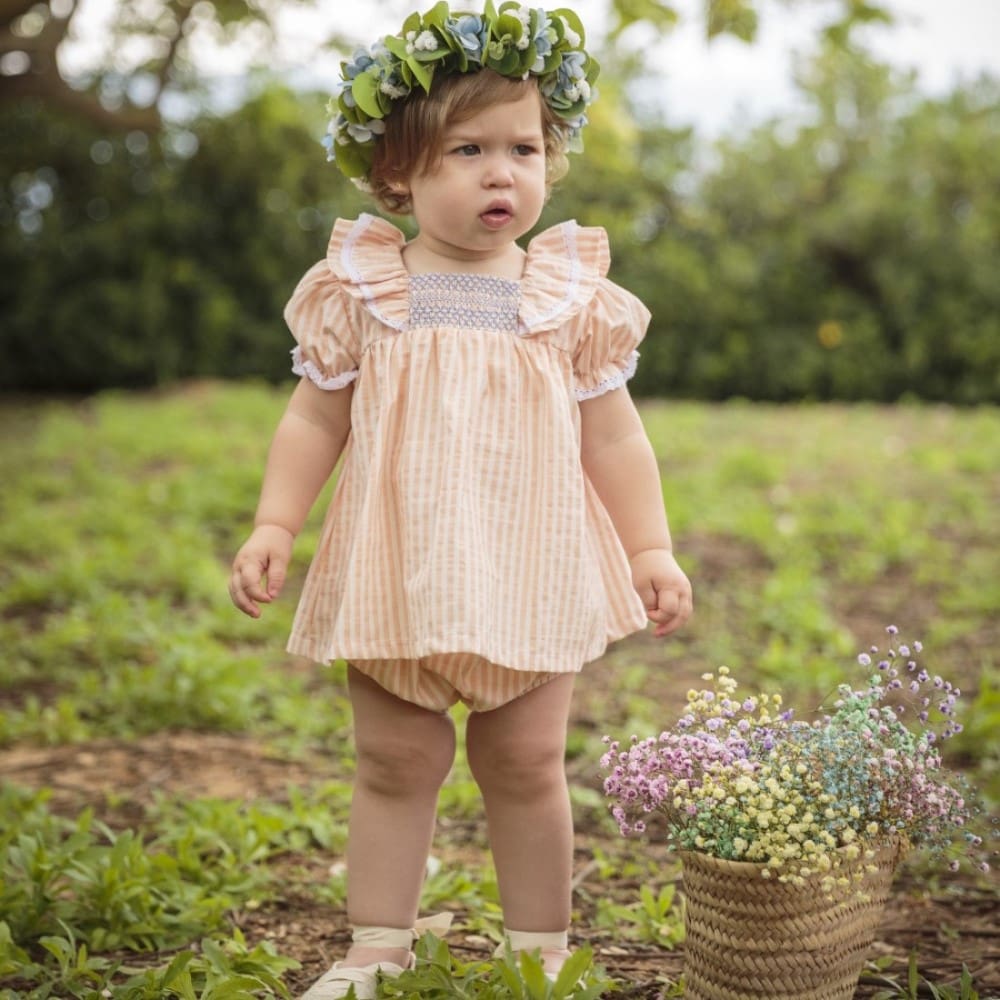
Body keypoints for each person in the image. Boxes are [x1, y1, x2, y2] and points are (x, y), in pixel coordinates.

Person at [229, 4, 693, 997]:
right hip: (397, 564)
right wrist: (277, 522)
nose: (501, 172)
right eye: (467, 149)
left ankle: (539, 955)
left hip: (529, 568)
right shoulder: (363, 290)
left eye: (522, 147)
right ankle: (376, 946)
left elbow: (612, 433)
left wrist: (649, 548)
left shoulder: (564, 299)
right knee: (393, 759)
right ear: (398, 172)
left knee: (525, 763)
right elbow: (315, 419)